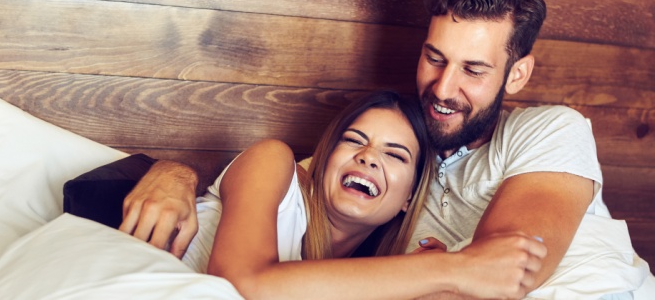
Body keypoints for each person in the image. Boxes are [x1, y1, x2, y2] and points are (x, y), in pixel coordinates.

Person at [122, 0, 655, 298]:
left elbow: (503, 273)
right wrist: (176, 171)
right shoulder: (398, 157)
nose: (444, 87)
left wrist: (456, 271)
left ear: (518, 73)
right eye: (435, 57)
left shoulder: (549, 130)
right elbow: (288, 186)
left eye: (474, 70)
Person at [127, 90, 547, 299]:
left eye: (394, 155)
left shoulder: (353, 282)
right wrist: (452, 268)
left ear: (408, 199)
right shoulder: (274, 164)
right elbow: (241, 284)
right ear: (325, 159)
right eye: (354, 140)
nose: (368, 157)